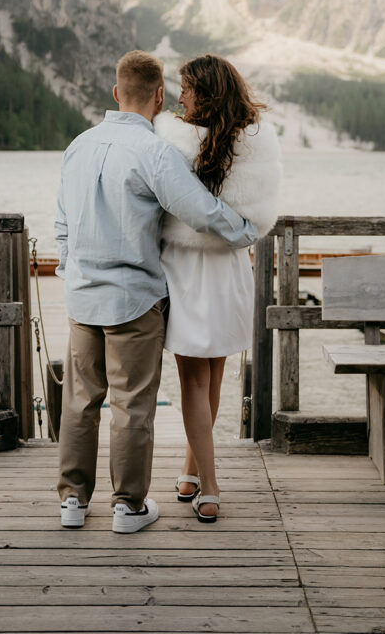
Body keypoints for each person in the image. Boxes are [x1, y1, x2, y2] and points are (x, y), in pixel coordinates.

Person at [54, 50, 258, 534]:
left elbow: (62, 222)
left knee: (80, 402)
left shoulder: (78, 145)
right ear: (160, 96)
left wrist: (70, 269)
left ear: (115, 92)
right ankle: (127, 508)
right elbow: (203, 213)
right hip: (133, 299)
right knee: (132, 405)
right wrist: (248, 230)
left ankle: (73, 503)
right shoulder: (155, 152)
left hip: (81, 296)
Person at [154, 54, 281, 522]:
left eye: (186, 88)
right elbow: (254, 216)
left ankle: (209, 483)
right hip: (229, 267)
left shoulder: (172, 141)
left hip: (187, 266)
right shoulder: (254, 143)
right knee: (211, 375)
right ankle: (191, 469)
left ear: (205, 92)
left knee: (194, 378)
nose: (179, 96)